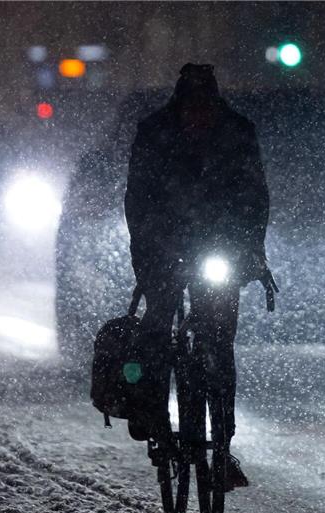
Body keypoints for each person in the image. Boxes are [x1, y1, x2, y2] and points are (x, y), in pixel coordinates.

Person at [124, 63, 270, 490]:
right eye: (192, 106)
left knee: (220, 344)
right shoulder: (154, 133)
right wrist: (149, 253)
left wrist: (252, 251)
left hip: (218, 249)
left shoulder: (237, 133)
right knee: (158, 328)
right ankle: (151, 410)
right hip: (164, 248)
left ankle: (222, 446)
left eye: (205, 106)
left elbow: (255, 198)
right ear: (180, 103)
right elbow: (138, 198)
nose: (198, 114)